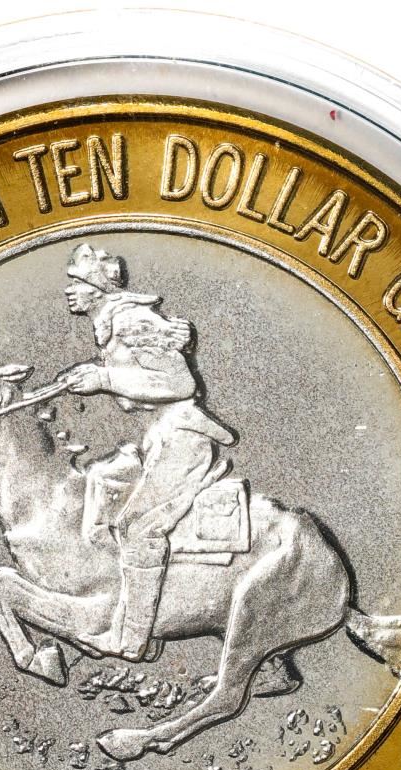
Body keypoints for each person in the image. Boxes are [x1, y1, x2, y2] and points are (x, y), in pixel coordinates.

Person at [61, 243, 235, 660]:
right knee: (104, 495)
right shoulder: (112, 322)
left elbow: (181, 384)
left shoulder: (132, 321)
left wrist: (105, 379)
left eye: (77, 283)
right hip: (158, 437)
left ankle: (133, 640)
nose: (69, 291)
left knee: (139, 528)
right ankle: (134, 603)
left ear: (97, 288)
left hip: (182, 437)